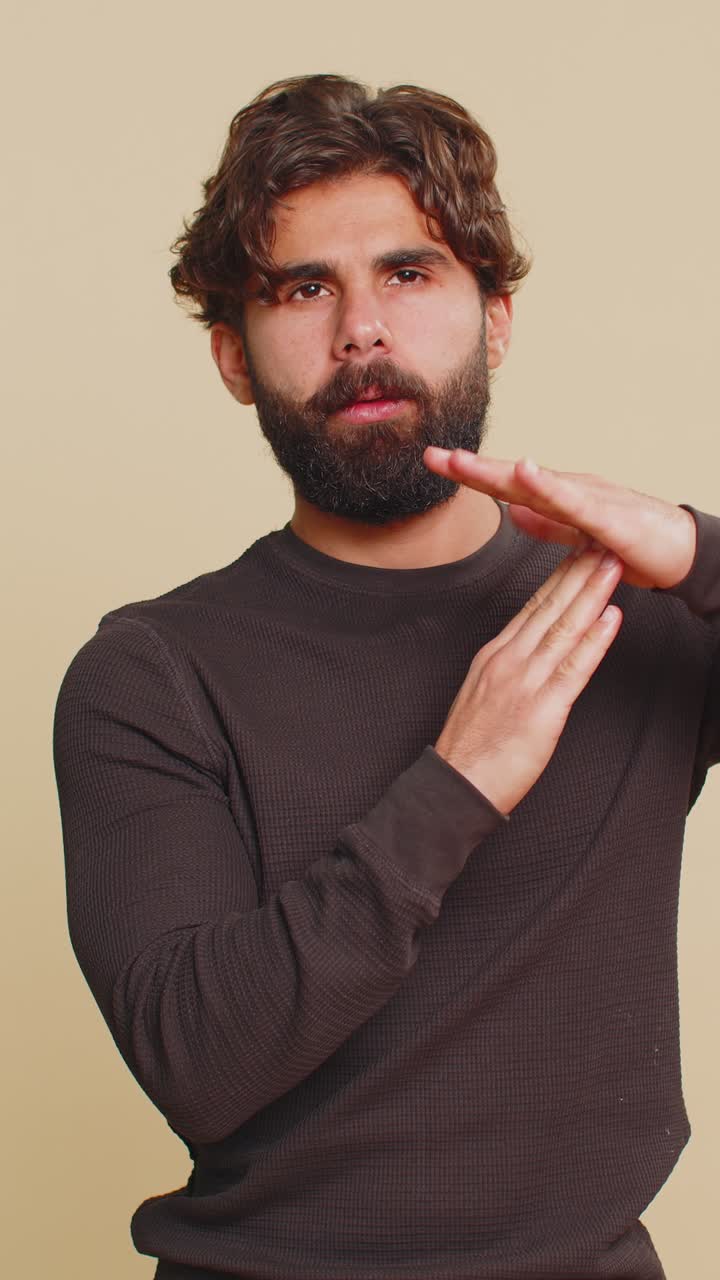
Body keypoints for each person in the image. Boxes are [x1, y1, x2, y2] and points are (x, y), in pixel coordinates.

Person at [52, 72, 720, 1280]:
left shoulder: (638, 614)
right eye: (306, 289)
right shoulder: (147, 674)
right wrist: (459, 780)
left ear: (496, 317)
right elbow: (198, 1060)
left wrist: (696, 547)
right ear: (233, 358)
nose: (362, 328)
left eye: (409, 273)